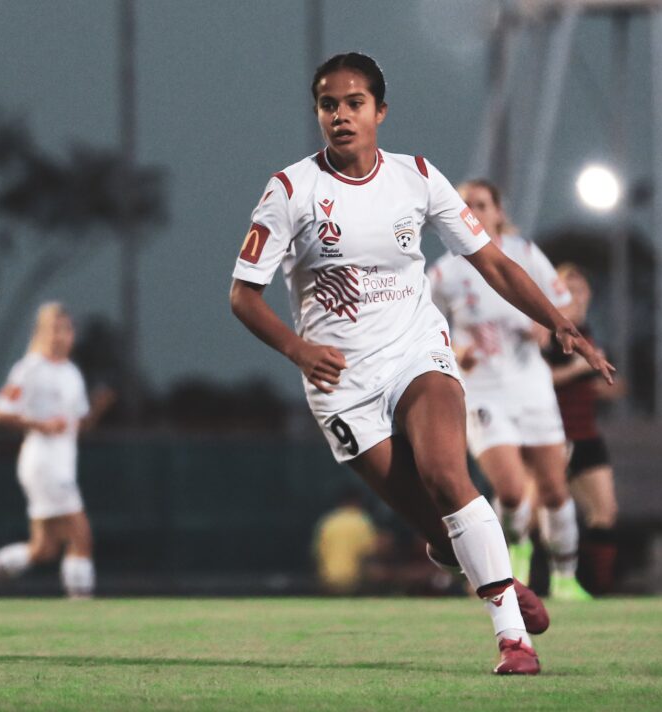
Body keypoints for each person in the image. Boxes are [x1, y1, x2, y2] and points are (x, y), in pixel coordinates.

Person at [229, 52, 614, 675]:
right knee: (439, 532)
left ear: (380, 111)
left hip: (417, 353)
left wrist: (560, 323)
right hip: (341, 385)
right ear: (318, 113)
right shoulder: (291, 190)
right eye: (329, 104)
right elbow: (243, 295)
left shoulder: (418, 177)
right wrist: (298, 348)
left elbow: (493, 262)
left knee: (446, 473)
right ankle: (495, 575)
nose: (341, 115)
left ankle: (513, 639)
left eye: (355, 103)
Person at [427, 180, 590, 601]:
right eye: (465, 205)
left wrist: (549, 320)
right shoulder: (444, 272)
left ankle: (565, 579)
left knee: (555, 490)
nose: (473, 211)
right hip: (483, 393)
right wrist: (456, 348)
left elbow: (566, 302)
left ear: (498, 212)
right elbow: (423, 326)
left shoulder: (524, 255)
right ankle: (514, 554)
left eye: (481, 204)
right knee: (513, 491)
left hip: (532, 387)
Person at [0, 303, 114, 601]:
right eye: (55, 329)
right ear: (42, 333)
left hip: (61, 464)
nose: (62, 336)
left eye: (67, 329)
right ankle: (82, 607)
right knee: (81, 536)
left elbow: (78, 425)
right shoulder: (31, 368)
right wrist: (40, 424)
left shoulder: (72, 372)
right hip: (43, 463)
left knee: (44, 548)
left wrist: (98, 408)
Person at [543, 264, 622, 595]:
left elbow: (607, 386)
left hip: (586, 434)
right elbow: (539, 377)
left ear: (588, 294)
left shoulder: (587, 333)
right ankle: (531, 582)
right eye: (565, 287)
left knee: (605, 512)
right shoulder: (547, 331)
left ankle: (597, 588)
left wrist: (605, 384)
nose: (573, 293)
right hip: (550, 434)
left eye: (579, 287)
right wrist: (576, 370)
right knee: (538, 513)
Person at [312, 489, 380, 594]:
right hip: (353, 581)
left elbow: (316, 554)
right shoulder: (361, 521)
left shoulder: (328, 522)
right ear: (357, 501)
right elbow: (370, 553)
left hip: (327, 580)